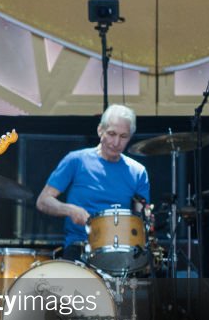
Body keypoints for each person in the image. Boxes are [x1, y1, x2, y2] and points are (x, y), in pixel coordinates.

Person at [36, 104, 150, 261]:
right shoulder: (76, 160)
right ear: (100, 130)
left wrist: (148, 218)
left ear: (130, 137)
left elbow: (141, 218)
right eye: (111, 134)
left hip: (121, 251)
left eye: (123, 136)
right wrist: (69, 210)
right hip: (80, 247)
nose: (116, 142)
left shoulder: (138, 171)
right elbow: (43, 201)